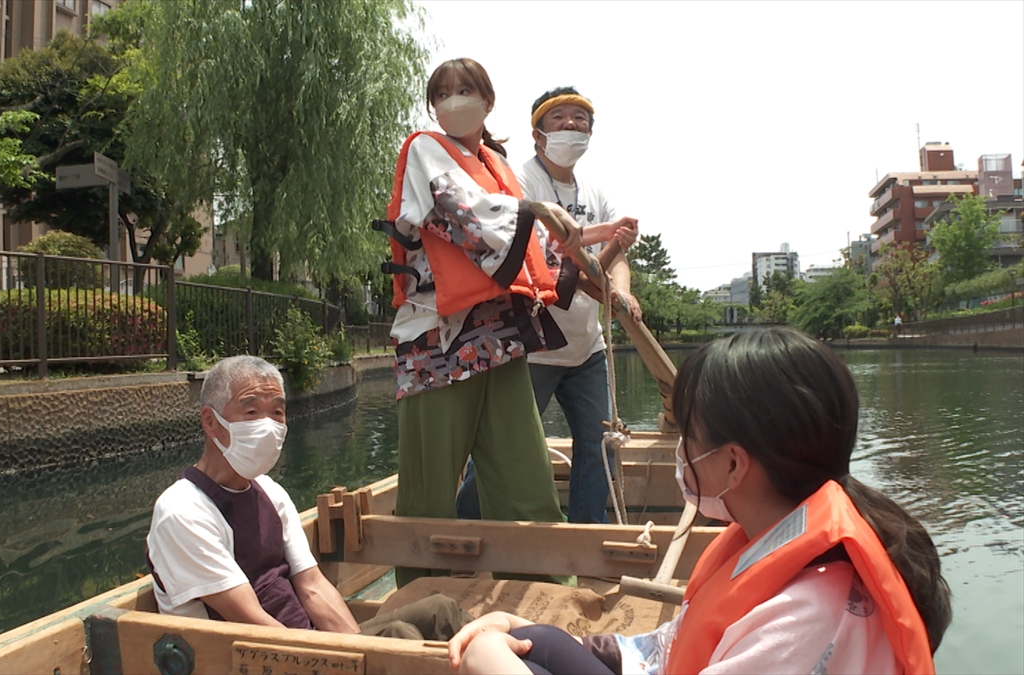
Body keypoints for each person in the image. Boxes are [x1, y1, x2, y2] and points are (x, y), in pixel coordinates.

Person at [448, 327, 952, 674]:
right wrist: (517, 625)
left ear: (733, 465)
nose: (680, 452)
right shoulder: (767, 541)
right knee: (534, 644)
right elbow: (665, 650)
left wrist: (489, 660)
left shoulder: (806, 616)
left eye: (686, 436)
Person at [374, 58, 574, 588]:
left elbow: (533, 242)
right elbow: (462, 212)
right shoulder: (425, 150)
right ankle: (420, 595)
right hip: (436, 341)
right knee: (429, 488)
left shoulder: (499, 167)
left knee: (523, 473)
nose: (454, 99)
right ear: (432, 107)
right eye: (443, 92)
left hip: (498, 336)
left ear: (488, 102)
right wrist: (535, 211)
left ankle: (544, 590)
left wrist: (584, 252)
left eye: (466, 90)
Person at [146, 355, 471, 640]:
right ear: (210, 422)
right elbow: (251, 623)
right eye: (251, 411)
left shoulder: (269, 492)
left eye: (277, 412)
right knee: (401, 636)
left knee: (440, 611)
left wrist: (358, 647)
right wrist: (349, 658)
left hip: (308, 646)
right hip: (256, 659)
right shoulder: (182, 512)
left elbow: (313, 587)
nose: (268, 425)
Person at [455, 86, 641, 524]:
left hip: (586, 348)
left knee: (599, 448)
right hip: (532, 344)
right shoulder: (521, 182)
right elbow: (557, 268)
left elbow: (610, 270)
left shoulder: (594, 191)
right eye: (560, 119)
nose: (572, 126)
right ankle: (464, 525)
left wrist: (623, 290)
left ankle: (588, 541)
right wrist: (607, 255)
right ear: (538, 135)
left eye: (581, 119)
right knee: (506, 447)